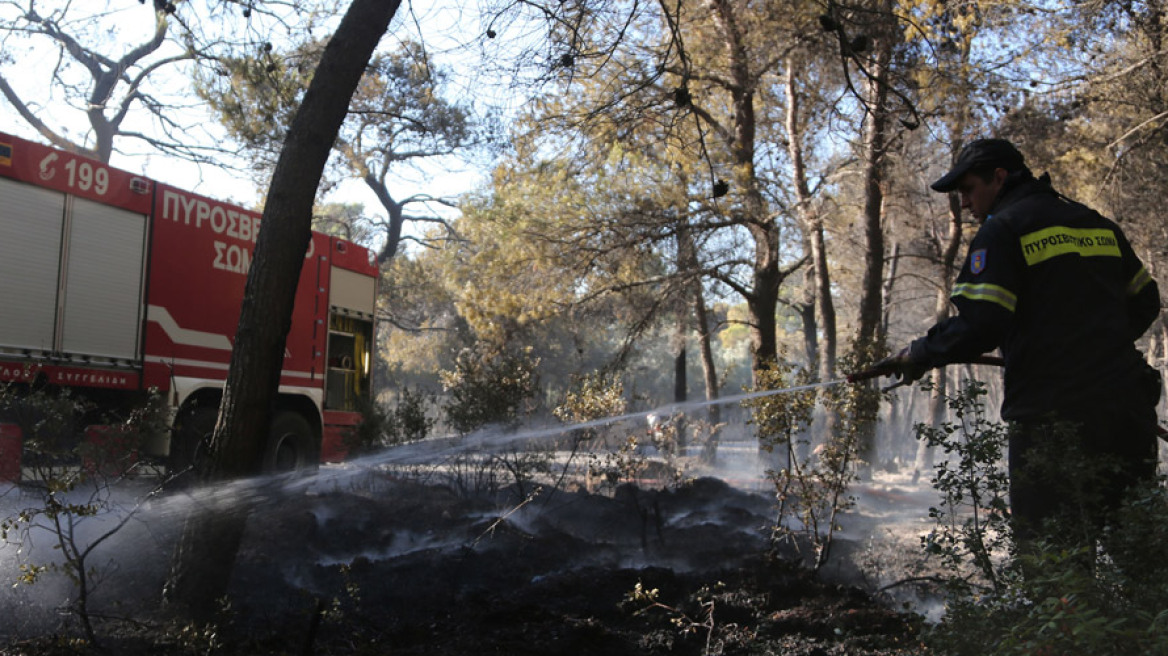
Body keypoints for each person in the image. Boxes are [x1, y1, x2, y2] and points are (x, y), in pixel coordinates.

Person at [879, 138, 1162, 554]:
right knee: (1141, 554)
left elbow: (981, 324)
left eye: (968, 189)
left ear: (999, 177)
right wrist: (1096, 346)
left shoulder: (1004, 231)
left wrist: (919, 353)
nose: (965, 203)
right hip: (1127, 413)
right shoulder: (1096, 225)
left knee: (1053, 559)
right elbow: (1146, 301)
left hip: (1052, 419)